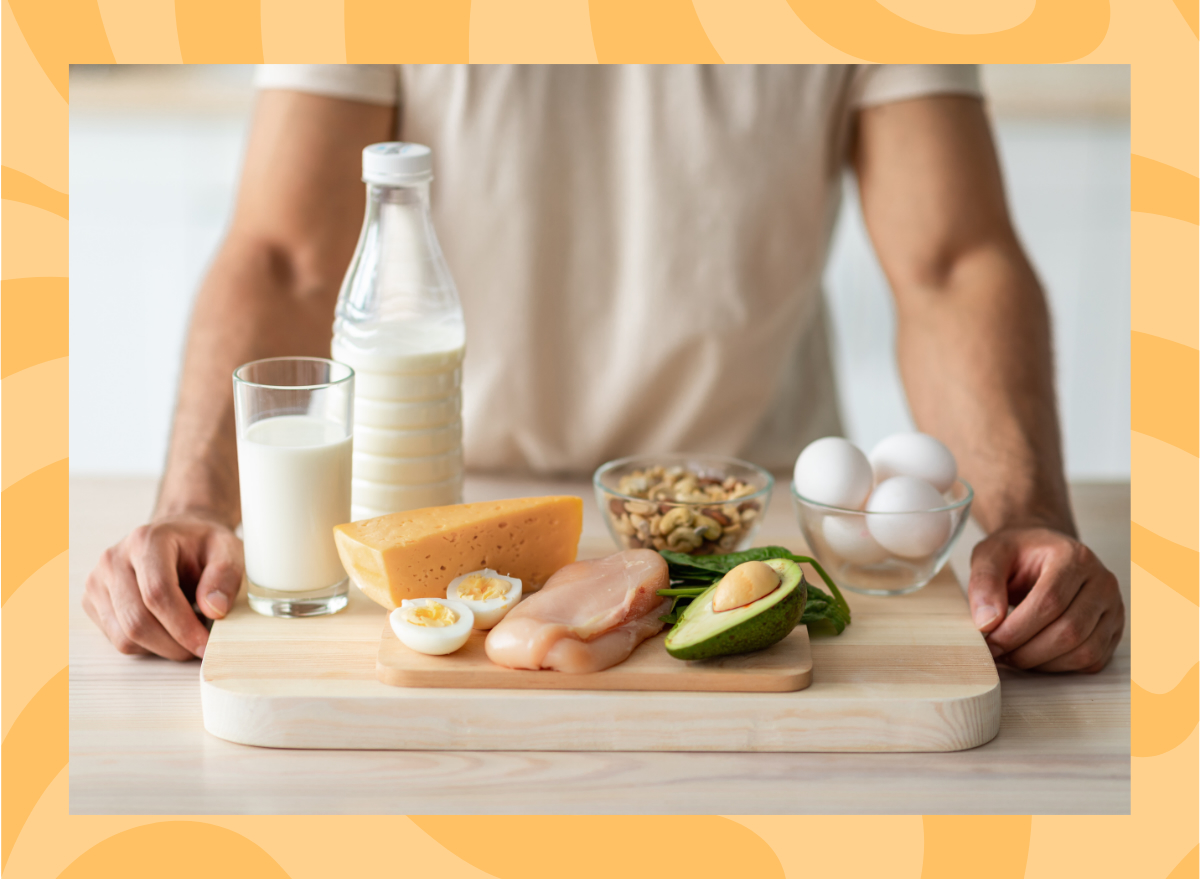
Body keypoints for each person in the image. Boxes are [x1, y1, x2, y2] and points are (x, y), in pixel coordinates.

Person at [83, 64, 1123, 672]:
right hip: (440, 515)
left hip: (745, 516)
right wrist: (194, 501)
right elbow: (285, 252)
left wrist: (1030, 517)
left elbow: (952, 261)